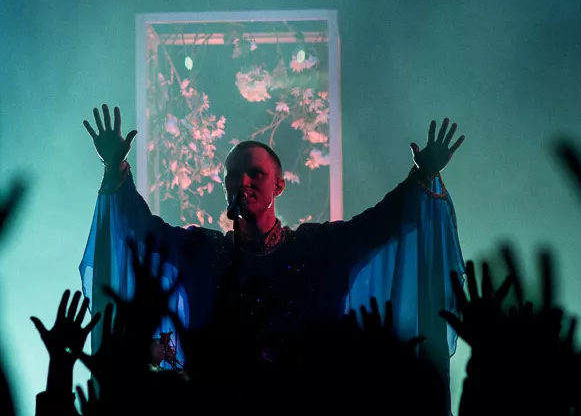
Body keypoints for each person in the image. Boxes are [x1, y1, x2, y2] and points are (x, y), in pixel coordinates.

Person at [79, 104, 466, 398]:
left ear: (278, 185)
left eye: (256, 174)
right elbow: (143, 230)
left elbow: (379, 224)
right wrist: (116, 168)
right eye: (234, 175)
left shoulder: (318, 249)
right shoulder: (202, 252)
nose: (243, 182)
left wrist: (423, 176)